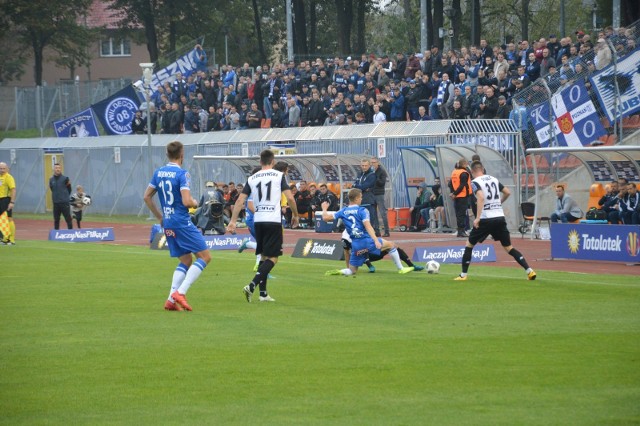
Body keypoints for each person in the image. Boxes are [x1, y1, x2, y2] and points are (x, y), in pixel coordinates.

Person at [143, 141, 211, 312]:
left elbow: (146, 197)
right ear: (182, 155)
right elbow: (187, 202)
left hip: (168, 222)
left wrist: (160, 217)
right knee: (205, 257)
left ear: (167, 155)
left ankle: (170, 300)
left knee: (186, 260)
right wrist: (195, 202)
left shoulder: (158, 173)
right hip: (181, 221)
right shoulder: (182, 174)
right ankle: (180, 293)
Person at [227, 149, 299, 303]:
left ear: (260, 162)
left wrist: (233, 221)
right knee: (274, 258)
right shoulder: (279, 176)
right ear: (273, 162)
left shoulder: (252, 178)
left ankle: (263, 293)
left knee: (264, 256)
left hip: (258, 221)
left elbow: (240, 201)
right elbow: (290, 198)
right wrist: (295, 215)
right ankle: (252, 285)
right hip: (273, 220)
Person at [455, 160, 536, 281]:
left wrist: (477, 218)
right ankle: (529, 271)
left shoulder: (474, 182)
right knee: (508, 247)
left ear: (472, 172)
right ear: (482, 169)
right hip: (499, 217)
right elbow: (507, 192)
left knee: (469, 244)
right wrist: (499, 203)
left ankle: (463, 275)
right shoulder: (493, 179)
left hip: (486, 218)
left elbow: (481, 197)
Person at [323, 188, 415, 276]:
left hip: (356, 245)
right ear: (356, 199)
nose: (361, 199)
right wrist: (375, 240)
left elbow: (325, 218)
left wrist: (324, 209)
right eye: (361, 197)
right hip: (366, 241)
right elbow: (368, 226)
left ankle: (340, 271)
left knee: (352, 270)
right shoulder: (362, 210)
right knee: (391, 245)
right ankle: (401, 269)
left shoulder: (343, 211)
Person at [340, 228, 424, 273]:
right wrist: (348, 268)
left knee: (392, 245)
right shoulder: (345, 237)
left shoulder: (359, 229)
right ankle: (370, 266)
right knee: (363, 247)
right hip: (364, 257)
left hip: (372, 252)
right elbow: (346, 252)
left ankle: (411, 265)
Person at [353, 158, 378, 235]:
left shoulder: (372, 175)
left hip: (369, 201)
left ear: (369, 165)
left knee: (369, 222)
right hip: (360, 201)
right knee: (360, 221)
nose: (364, 167)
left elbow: (364, 186)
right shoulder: (360, 174)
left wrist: (358, 186)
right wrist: (359, 186)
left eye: (366, 165)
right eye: (362, 165)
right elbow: (355, 185)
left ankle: (372, 239)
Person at [449, 158, 472, 237]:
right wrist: (455, 193)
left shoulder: (454, 172)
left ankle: (460, 231)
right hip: (462, 196)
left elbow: (450, 184)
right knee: (462, 214)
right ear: (465, 164)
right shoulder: (464, 173)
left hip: (456, 196)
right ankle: (462, 231)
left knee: (458, 214)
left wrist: (452, 193)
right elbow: (462, 185)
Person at [49, 163, 73, 230]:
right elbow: (52, 189)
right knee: (56, 220)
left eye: (59, 168)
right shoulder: (51, 180)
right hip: (56, 203)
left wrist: (64, 197)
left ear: (61, 169)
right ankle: (56, 235)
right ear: (54, 169)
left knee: (68, 219)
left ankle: (71, 233)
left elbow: (69, 189)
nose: (58, 169)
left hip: (64, 203)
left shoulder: (65, 179)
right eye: (56, 168)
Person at [370, 157, 390, 237]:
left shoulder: (382, 171)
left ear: (378, 163)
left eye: (374, 162)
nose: (373, 164)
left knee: (382, 213)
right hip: (372, 194)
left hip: (379, 194)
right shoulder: (370, 172)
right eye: (372, 162)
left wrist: (375, 176)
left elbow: (382, 183)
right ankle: (376, 231)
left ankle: (386, 231)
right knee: (373, 213)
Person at [0, 162, 16, 245]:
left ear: (7, 169)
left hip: (5, 200)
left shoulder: (9, 177)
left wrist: (12, 202)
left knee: (9, 218)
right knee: (2, 220)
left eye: (3, 168)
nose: (2, 170)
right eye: (0, 168)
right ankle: (5, 238)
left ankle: (12, 239)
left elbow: (13, 189)